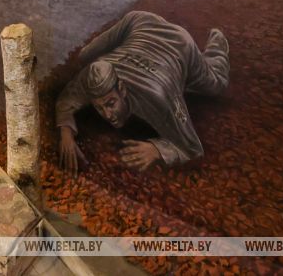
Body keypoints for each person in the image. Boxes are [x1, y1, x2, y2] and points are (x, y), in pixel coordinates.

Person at [56, 10, 230, 175]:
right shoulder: (88, 77)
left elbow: (192, 148)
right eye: (99, 108)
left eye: (110, 104)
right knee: (84, 55)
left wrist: (157, 150)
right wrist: (66, 133)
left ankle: (218, 40)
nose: (107, 115)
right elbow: (66, 101)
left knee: (217, 83)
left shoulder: (159, 96)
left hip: (178, 42)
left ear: (122, 89)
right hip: (139, 22)